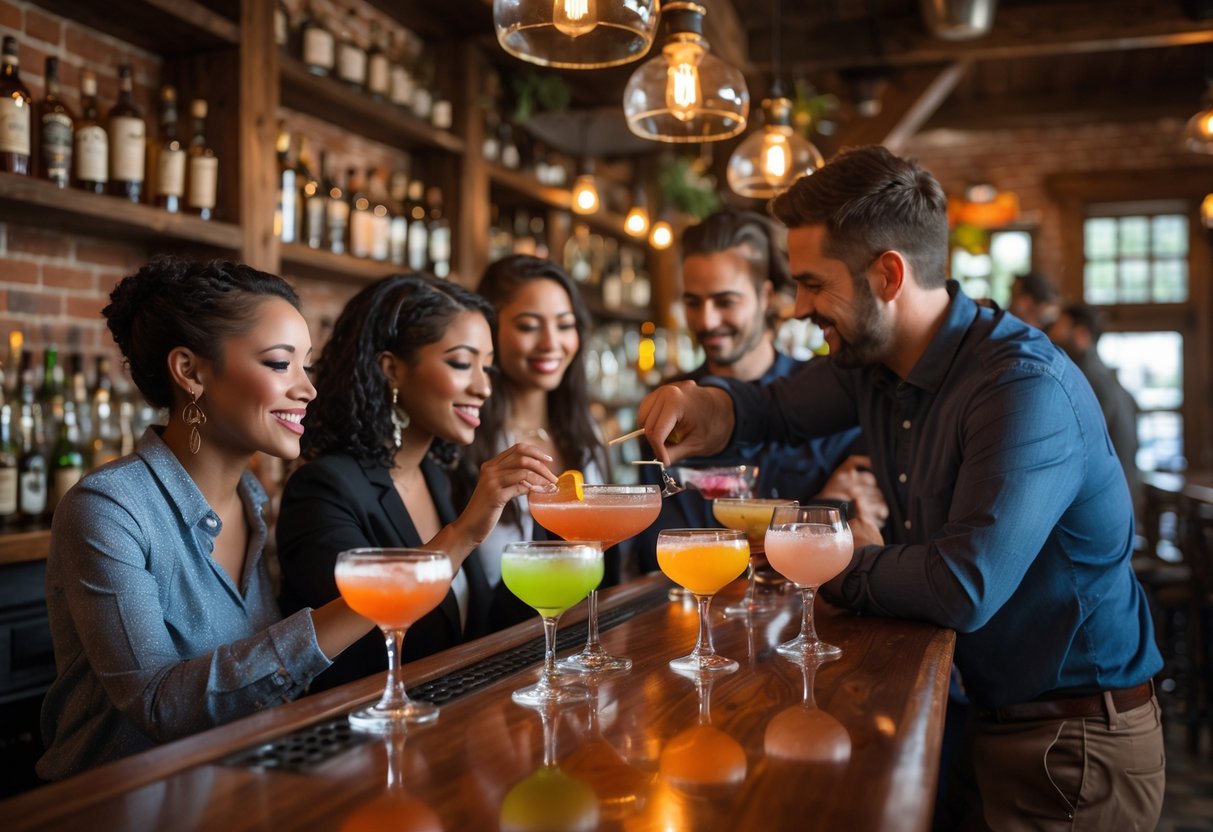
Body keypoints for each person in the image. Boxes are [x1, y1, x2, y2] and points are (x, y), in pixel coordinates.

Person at [636, 146, 1164, 830]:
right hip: (981, 720)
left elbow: (959, 587)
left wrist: (823, 555)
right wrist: (705, 403)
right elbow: (771, 409)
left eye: (812, 284)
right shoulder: (874, 364)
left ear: (887, 274)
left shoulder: (1020, 387)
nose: (796, 306)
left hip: (1070, 746)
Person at [37, 257, 376, 780]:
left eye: (306, 365)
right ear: (190, 371)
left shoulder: (252, 502)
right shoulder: (107, 509)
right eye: (280, 364)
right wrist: (372, 601)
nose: (307, 388)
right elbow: (158, 706)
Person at [276, 273, 557, 691]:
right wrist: (464, 534)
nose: (483, 387)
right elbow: (361, 642)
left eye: (487, 367)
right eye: (462, 364)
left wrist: (558, 534)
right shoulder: (323, 490)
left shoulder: (436, 478)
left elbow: (474, 630)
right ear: (391, 369)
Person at [632, 208, 880, 574]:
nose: (707, 320)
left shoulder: (829, 397)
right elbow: (660, 547)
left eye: (725, 301)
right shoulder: (670, 409)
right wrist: (822, 504)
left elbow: (860, 528)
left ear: (765, 295)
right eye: (693, 302)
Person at [468, 255, 613, 598]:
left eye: (564, 325)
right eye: (529, 326)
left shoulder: (586, 431)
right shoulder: (467, 439)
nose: (551, 343)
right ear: (489, 330)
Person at [1048, 302, 1142, 510]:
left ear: (1081, 334)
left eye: (1059, 327)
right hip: (1118, 496)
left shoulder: (1086, 377)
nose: (1050, 335)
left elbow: (1077, 444)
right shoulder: (1104, 375)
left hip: (1104, 502)